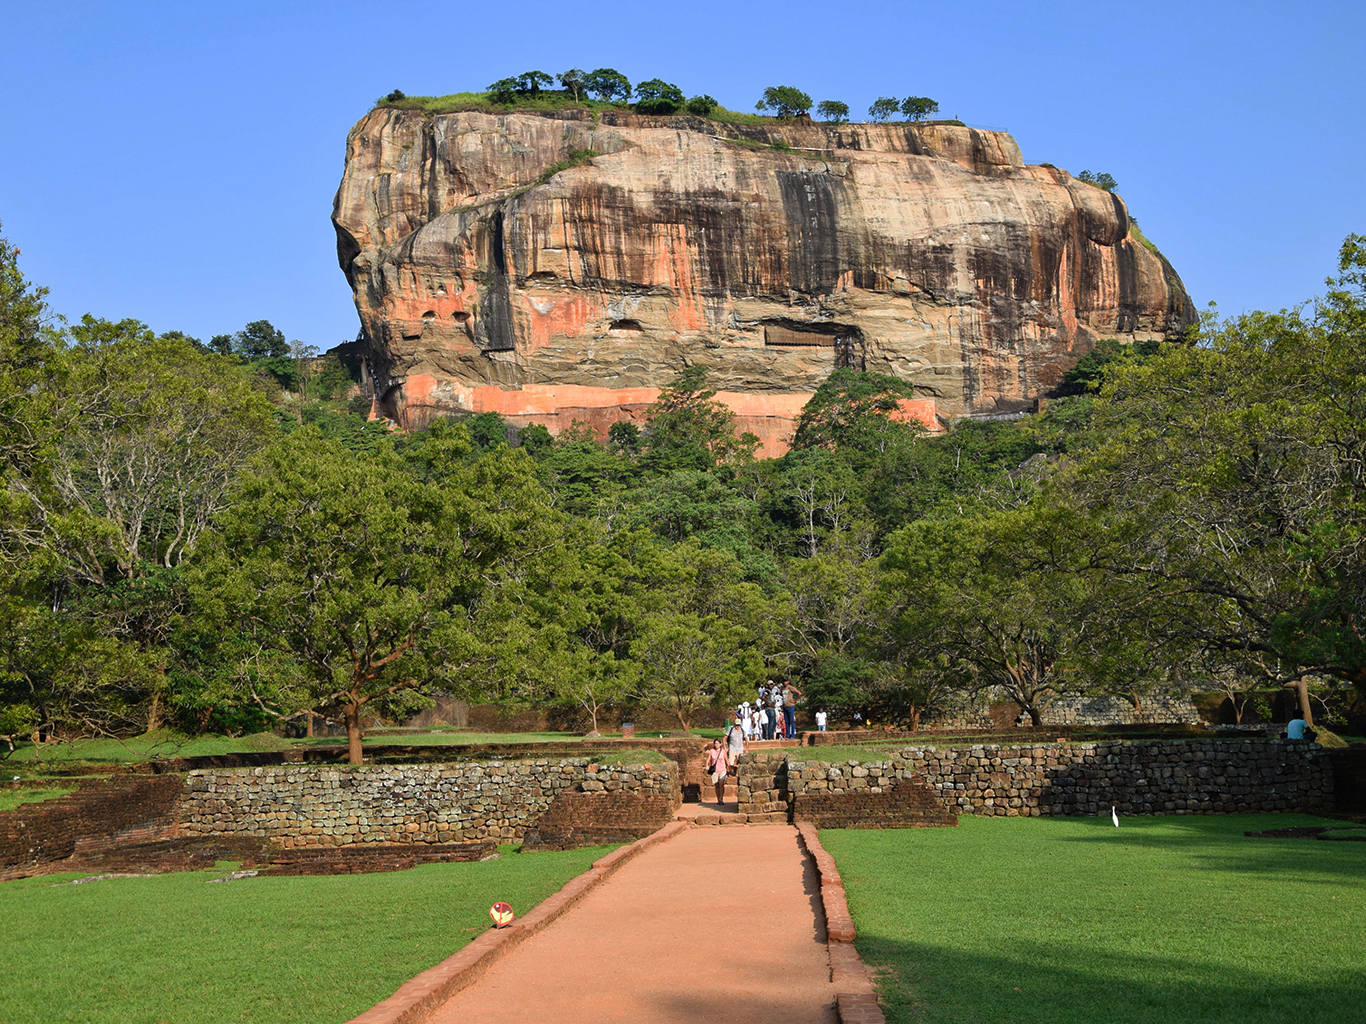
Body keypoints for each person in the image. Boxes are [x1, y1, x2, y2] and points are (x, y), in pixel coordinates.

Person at [706, 738, 729, 805]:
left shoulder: (723, 751)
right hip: (714, 770)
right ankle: (718, 799)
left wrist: (729, 767)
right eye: (715, 743)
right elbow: (708, 759)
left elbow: (726, 759)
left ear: (720, 744)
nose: (717, 745)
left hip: (722, 769)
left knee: (721, 783)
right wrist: (707, 765)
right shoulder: (711, 751)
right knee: (716, 785)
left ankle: (721, 798)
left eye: (718, 743)